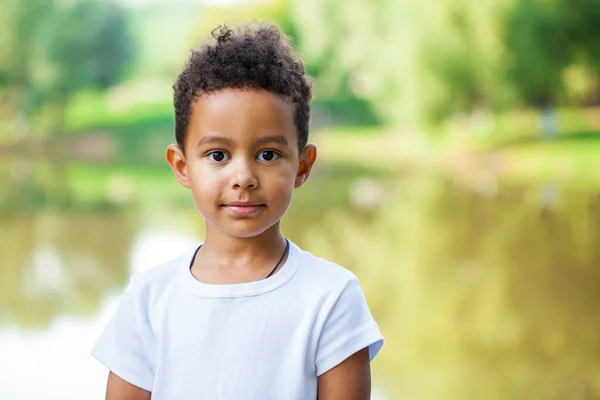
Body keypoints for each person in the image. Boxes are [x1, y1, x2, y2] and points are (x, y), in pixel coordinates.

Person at [91, 21, 384, 400]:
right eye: (218, 155)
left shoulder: (331, 297)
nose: (243, 177)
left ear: (302, 166)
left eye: (268, 154)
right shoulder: (149, 298)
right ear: (182, 167)